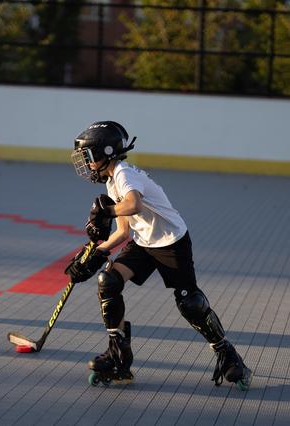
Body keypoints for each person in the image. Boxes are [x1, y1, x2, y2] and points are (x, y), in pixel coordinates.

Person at [65, 121, 251, 389]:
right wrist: (95, 253)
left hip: (172, 242)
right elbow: (123, 232)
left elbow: (134, 204)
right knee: (109, 281)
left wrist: (107, 211)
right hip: (144, 244)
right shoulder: (112, 182)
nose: (87, 163)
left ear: (107, 152)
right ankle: (119, 357)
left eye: (90, 156)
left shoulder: (124, 174)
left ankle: (227, 354)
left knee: (190, 303)